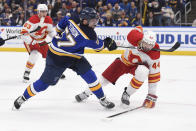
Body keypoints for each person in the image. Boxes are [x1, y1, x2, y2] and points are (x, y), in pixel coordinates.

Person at [13, 7, 117, 110]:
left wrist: (61, 35)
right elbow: (99, 47)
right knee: (44, 84)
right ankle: (23, 98)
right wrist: (108, 43)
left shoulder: (72, 18)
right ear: (85, 21)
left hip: (73, 55)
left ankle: (102, 98)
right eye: (93, 21)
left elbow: (59, 27)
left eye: (96, 20)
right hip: (57, 58)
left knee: (90, 75)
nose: (95, 23)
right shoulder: (88, 35)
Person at [75, 26, 160, 108]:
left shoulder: (154, 54)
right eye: (145, 43)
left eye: (150, 45)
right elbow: (138, 28)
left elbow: (154, 75)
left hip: (136, 67)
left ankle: (127, 94)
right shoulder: (134, 37)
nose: (147, 47)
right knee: (103, 80)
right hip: (122, 63)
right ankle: (86, 93)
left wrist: (151, 94)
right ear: (141, 40)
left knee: (143, 71)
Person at [20, 4, 65, 83]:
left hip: (41, 41)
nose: (44, 14)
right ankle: (27, 72)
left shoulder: (48, 19)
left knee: (50, 55)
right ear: (38, 12)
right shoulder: (32, 20)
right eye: (42, 12)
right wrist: (31, 41)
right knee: (34, 54)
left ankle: (55, 72)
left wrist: (55, 37)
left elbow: (50, 31)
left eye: (45, 12)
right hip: (31, 40)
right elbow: (23, 34)